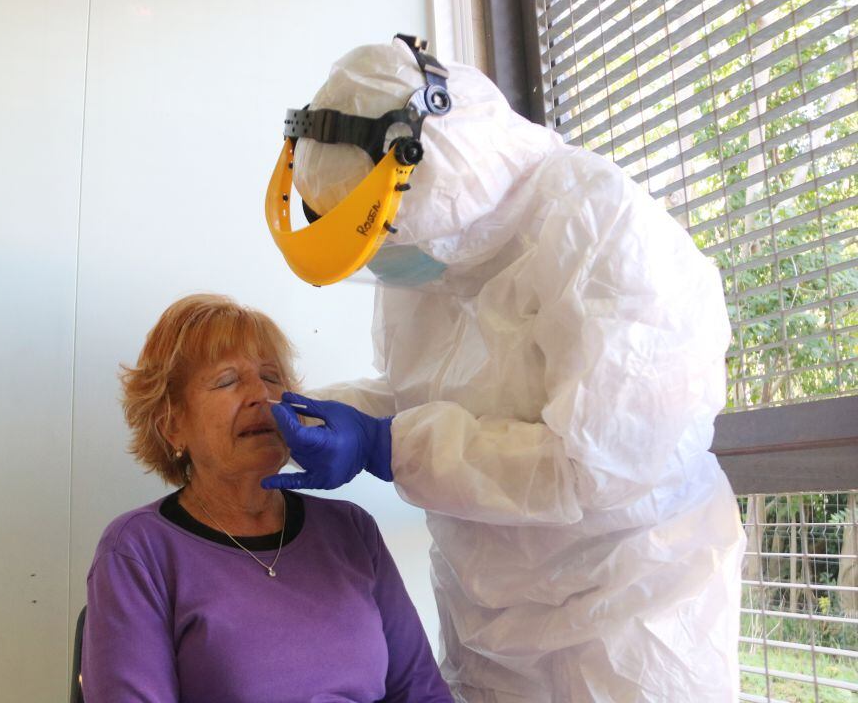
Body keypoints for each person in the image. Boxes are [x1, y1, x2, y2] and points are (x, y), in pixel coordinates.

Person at [261, 36, 746, 701]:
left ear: (425, 171)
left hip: (630, 617)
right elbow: (435, 397)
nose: (381, 263)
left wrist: (382, 445)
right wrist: (322, 410)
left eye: (382, 238)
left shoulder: (600, 230)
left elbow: (591, 463)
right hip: (489, 622)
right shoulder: (435, 257)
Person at [81, 293, 452, 703]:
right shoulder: (139, 552)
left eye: (272, 377)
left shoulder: (351, 529)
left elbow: (421, 692)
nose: (261, 394)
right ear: (172, 426)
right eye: (227, 380)